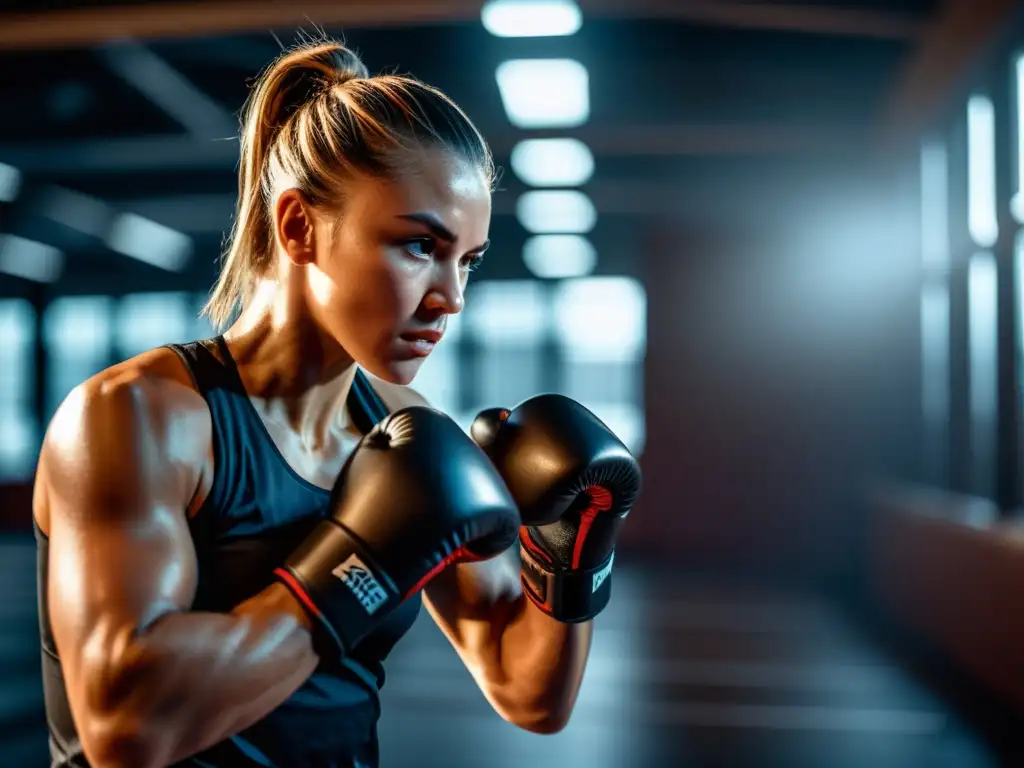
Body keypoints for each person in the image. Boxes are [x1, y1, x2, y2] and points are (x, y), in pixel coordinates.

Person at [32, 37, 641, 768]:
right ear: (298, 227)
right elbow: (124, 725)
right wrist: (361, 564)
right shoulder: (141, 417)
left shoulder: (402, 431)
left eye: (468, 260)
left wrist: (566, 557)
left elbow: (528, 690)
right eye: (420, 245)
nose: (451, 297)